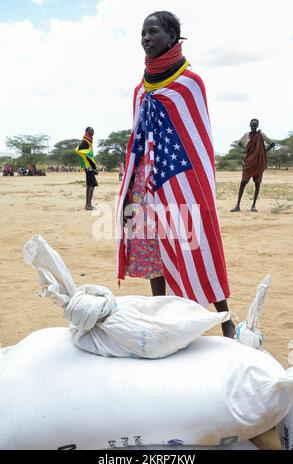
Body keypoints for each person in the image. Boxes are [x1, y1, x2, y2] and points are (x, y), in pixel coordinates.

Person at [116, 11, 235, 337]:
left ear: (172, 37)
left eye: (152, 31)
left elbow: (197, 141)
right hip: (145, 183)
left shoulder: (189, 84)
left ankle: (227, 324)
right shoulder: (140, 89)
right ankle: (164, 319)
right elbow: (137, 140)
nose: (145, 38)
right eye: (142, 33)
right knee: (152, 251)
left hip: (182, 182)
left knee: (201, 246)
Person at [231, 119, 275, 212]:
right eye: (252, 125)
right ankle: (237, 206)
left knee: (257, 185)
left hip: (258, 163)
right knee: (242, 183)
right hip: (249, 163)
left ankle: (253, 206)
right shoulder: (246, 135)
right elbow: (239, 143)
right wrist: (247, 149)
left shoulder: (261, 135)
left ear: (257, 126)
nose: (254, 126)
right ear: (250, 125)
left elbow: (272, 143)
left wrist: (263, 151)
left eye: (255, 125)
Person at [75, 126, 99, 210]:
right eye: (90, 132)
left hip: (88, 167)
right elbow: (78, 150)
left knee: (89, 185)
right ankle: (88, 205)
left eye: (93, 132)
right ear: (86, 132)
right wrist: (90, 162)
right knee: (92, 184)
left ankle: (87, 205)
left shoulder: (87, 142)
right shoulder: (84, 142)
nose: (92, 133)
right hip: (89, 167)